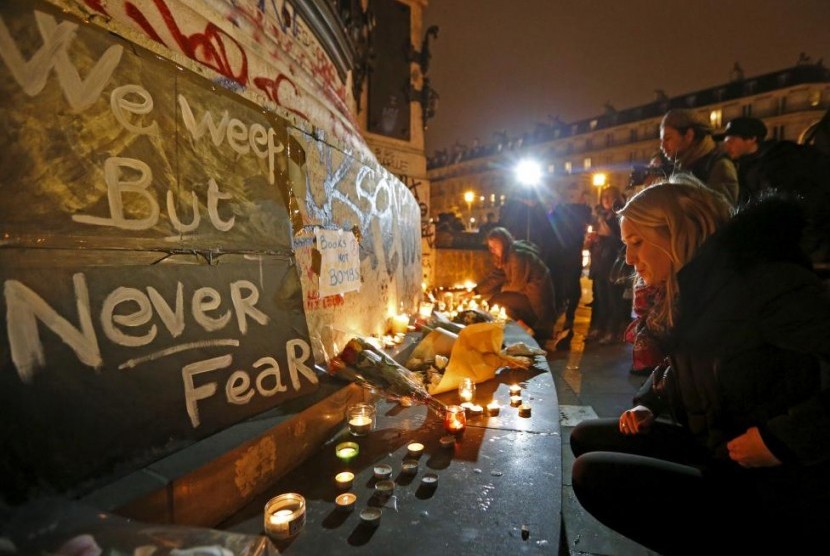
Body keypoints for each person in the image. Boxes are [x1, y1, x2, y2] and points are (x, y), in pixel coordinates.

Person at [570, 175, 830, 555]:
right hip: (715, 443)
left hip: (773, 481)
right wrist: (649, 403)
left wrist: (782, 441)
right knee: (587, 436)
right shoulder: (693, 287)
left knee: (593, 474)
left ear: (677, 234)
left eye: (637, 242)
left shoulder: (767, 283)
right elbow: (686, 362)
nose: (628, 258)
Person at [718, 116, 830, 267]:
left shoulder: (781, 163)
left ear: (751, 139)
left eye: (731, 141)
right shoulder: (746, 164)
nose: (727, 145)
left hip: (799, 251)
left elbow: (798, 208)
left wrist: (798, 252)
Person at [472, 227, 556, 341]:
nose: (492, 250)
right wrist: (475, 291)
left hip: (537, 303)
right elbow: (496, 277)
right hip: (527, 297)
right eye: (491, 247)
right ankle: (524, 329)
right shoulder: (507, 255)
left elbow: (517, 285)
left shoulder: (517, 256)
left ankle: (529, 330)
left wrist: (502, 290)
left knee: (497, 300)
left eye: (495, 246)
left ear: (503, 242)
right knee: (499, 301)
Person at [660, 108, 739, 206]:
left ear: (689, 135)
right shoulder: (683, 165)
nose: (662, 146)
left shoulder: (720, 166)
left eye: (667, 139)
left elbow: (723, 211)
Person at [547, 187, 592, 350]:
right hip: (559, 255)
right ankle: (561, 321)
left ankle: (568, 321)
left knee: (572, 287)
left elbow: (586, 217)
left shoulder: (580, 210)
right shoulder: (558, 211)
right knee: (561, 288)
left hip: (571, 254)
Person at [585, 186, 628, 345]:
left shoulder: (619, 216)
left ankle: (612, 330)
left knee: (613, 299)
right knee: (600, 299)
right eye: (604, 197)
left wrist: (604, 237)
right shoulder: (598, 216)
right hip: (599, 263)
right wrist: (592, 241)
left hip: (612, 264)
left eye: (610, 197)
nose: (606, 200)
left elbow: (621, 240)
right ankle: (599, 328)